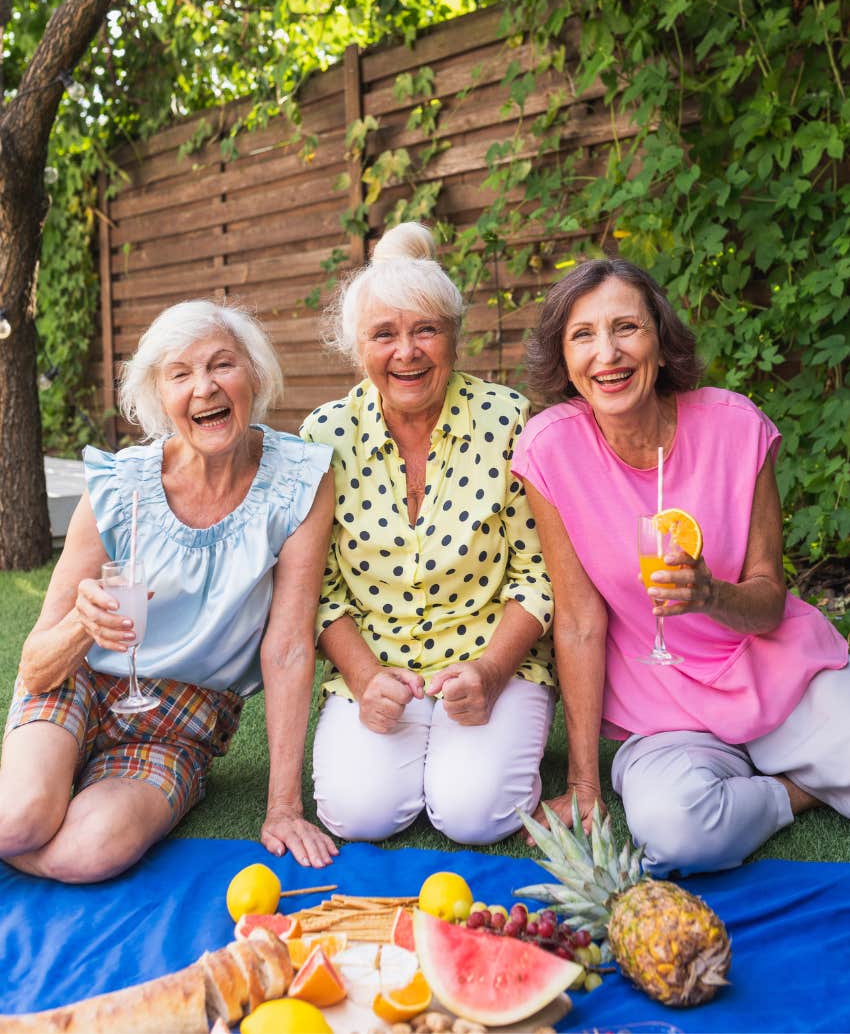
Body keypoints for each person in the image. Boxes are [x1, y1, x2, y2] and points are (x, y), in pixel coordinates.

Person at [512, 257, 850, 875]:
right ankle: (793, 789)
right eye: (583, 335)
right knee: (677, 830)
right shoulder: (549, 449)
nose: (606, 353)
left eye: (627, 328)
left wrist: (710, 594)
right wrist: (585, 784)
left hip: (778, 677)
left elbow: (769, 597)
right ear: (564, 362)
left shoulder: (736, 427)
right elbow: (581, 621)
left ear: (661, 345)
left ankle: (791, 761)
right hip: (661, 708)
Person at [0, 300, 338, 882]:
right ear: (159, 396)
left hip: (182, 724)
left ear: (253, 375)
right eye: (180, 374)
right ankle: (48, 785)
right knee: (19, 823)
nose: (204, 388)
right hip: (79, 680)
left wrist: (283, 806)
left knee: (85, 854)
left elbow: (286, 648)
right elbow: (35, 667)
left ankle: (67, 786)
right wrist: (85, 624)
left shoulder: (299, 481)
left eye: (221, 365)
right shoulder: (117, 486)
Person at [301, 223, 555, 845]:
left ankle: (486, 753)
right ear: (357, 347)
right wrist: (364, 679)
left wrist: (493, 672)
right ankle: (429, 758)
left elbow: (538, 574)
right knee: (356, 815)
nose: (406, 352)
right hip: (379, 666)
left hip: (494, 659)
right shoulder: (324, 435)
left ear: (454, 337)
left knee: (475, 817)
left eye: (426, 330)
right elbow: (320, 589)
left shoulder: (508, 420)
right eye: (384, 333)